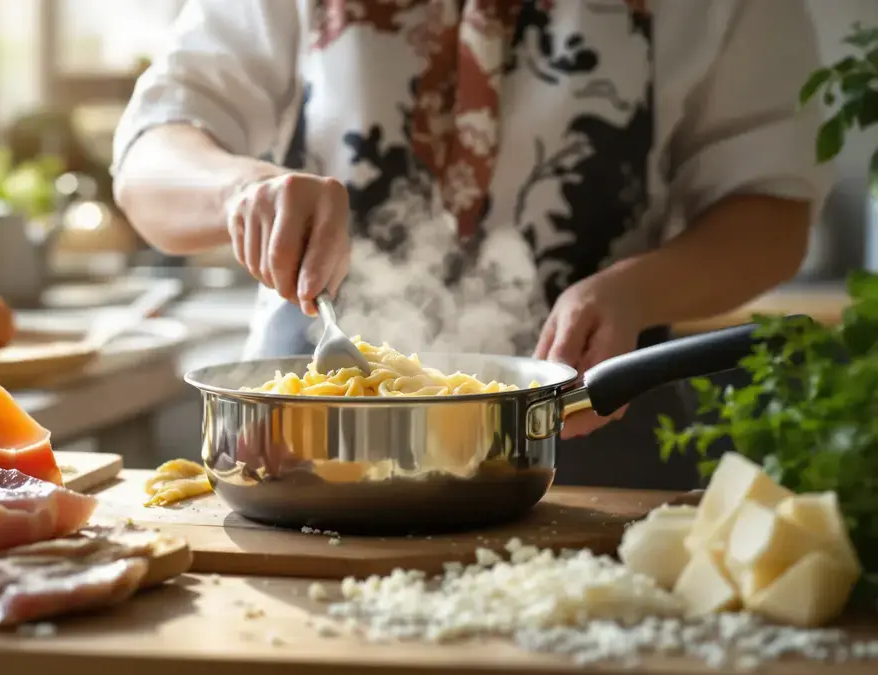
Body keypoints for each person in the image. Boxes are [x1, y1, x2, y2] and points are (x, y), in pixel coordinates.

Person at [111, 0, 832, 490]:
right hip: (299, 452)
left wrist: (637, 290)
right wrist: (238, 190)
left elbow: (770, 212)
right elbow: (149, 156)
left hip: (584, 435)